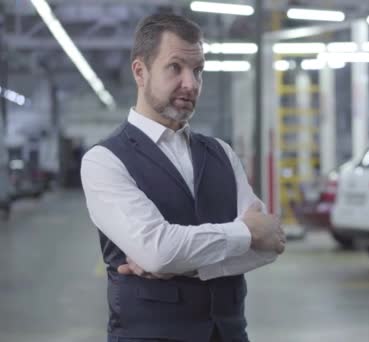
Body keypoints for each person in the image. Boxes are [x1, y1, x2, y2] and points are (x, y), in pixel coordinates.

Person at [81, 14, 285, 342]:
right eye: (175, 67)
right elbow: (159, 251)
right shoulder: (104, 161)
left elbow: (270, 245)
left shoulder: (221, 153)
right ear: (140, 72)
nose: (190, 83)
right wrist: (246, 232)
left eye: (198, 70)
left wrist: (178, 263)